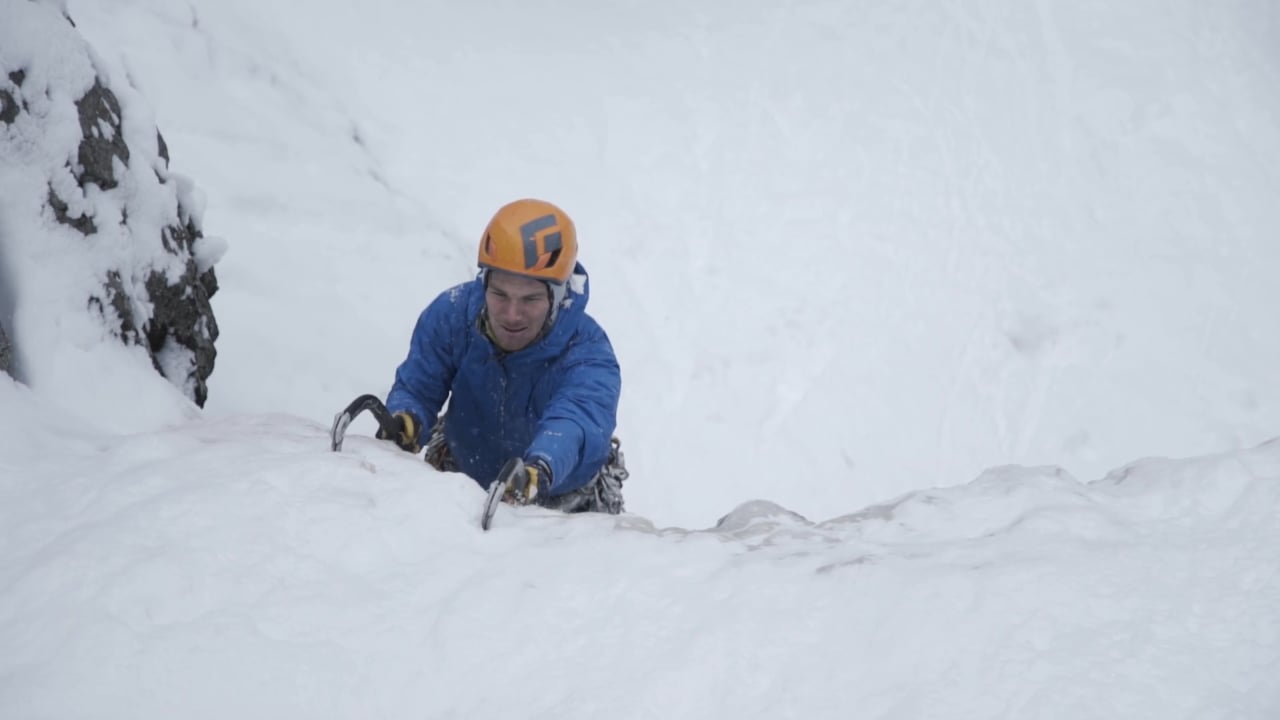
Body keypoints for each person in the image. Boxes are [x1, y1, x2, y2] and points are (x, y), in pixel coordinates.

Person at [377, 198, 627, 513]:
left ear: (560, 295)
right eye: (499, 294)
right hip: (461, 480)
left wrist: (541, 466)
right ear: (484, 284)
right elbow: (420, 383)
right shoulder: (453, 314)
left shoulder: (588, 352)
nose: (512, 315)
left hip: (563, 503)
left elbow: (576, 419)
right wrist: (407, 416)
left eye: (531, 299)